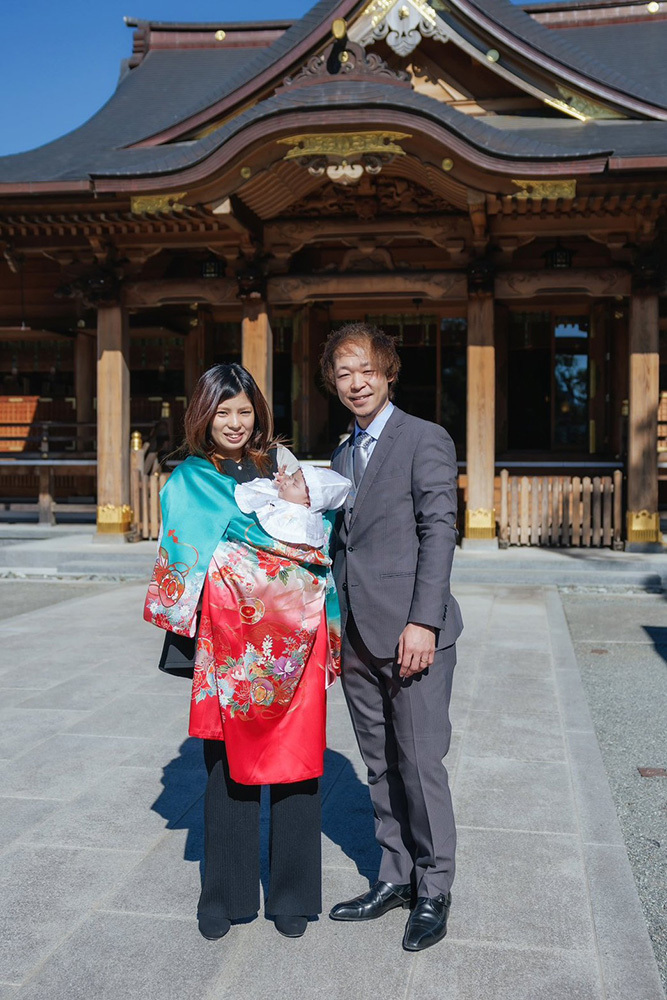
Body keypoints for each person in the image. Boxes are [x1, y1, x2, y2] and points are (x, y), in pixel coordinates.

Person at [143, 363, 342, 942]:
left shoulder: (282, 465)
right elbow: (184, 552)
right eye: (223, 411)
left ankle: (293, 894)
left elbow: (317, 530)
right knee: (225, 766)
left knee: (299, 761)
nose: (235, 422)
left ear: (259, 412)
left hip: (295, 632)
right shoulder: (189, 479)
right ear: (203, 415)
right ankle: (224, 895)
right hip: (230, 642)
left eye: (244, 410)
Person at [320, 322, 463, 952]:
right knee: (379, 763)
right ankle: (395, 874)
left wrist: (423, 621)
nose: (356, 382)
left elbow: (439, 530)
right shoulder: (344, 452)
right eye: (343, 372)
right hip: (356, 630)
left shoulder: (423, 438)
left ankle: (434, 887)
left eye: (366, 369)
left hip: (411, 631)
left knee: (419, 762)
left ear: (389, 371)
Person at [235, 464, 352, 549]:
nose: (286, 482)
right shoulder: (277, 493)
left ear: (308, 503)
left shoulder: (300, 517)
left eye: (294, 484)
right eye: (290, 478)